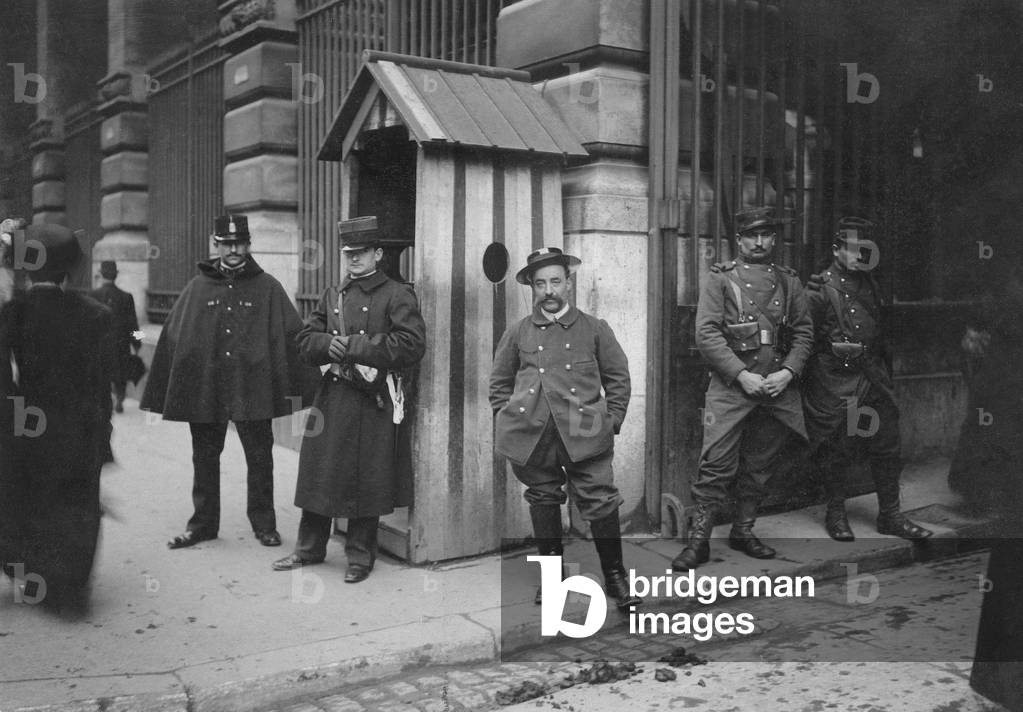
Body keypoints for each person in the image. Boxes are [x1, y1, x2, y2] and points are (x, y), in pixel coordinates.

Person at [141, 215, 318, 550]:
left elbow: (291, 332)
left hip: (252, 391)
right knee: (204, 457)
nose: (233, 250)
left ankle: (264, 524)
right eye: (226, 243)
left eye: (239, 243)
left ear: (248, 244)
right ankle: (203, 524)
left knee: (260, 457)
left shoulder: (268, 287)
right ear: (215, 243)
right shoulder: (198, 287)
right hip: (209, 390)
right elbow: (176, 335)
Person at [272, 217, 426, 583]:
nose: (353, 260)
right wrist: (327, 344)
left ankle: (360, 556)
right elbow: (305, 340)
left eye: (360, 253)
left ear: (377, 254)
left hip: (372, 400)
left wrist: (356, 346)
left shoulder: (396, 294)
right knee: (320, 473)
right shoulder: (333, 294)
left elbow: (412, 343)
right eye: (348, 253)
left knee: (366, 478)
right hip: (334, 397)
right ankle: (309, 549)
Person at [489, 246, 639, 610]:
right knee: (543, 498)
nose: (548, 290)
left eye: (555, 281)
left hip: (585, 432)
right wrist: (508, 418)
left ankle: (616, 576)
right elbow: (499, 383)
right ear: (532, 289)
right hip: (534, 434)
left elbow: (618, 378)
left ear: (569, 284)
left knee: (601, 501)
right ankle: (552, 580)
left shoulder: (594, 328)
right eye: (540, 284)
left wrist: (611, 421)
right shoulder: (519, 332)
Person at [672, 207, 813, 571]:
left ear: (775, 239)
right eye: (752, 235)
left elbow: (803, 333)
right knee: (716, 464)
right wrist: (740, 375)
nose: (760, 242)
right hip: (732, 388)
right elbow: (706, 334)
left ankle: (744, 530)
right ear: (739, 239)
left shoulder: (789, 282)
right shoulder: (720, 280)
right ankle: (699, 541)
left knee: (760, 464)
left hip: (775, 388)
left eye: (766, 235)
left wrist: (788, 372)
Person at [0, 223, 115, 611]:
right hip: (81, 424)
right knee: (79, 502)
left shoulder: (14, 313)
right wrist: (105, 435)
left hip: (30, 423)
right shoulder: (96, 314)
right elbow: (103, 383)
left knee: (36, 500)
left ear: (27, 270)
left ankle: (41, 579)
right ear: (69, 270)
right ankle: (72, 586)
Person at [802, 217, 931, 542]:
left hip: (872, 379)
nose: (858, 255)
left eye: (864, 250)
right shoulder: (818, 291)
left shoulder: (871, 285)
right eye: (852, 249)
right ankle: (836, 513)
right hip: (837, 381)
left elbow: (881, 335)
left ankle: (890, 515)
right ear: (836, 250)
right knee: (838, 448)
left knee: (887, 445)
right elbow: (804, 341)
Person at [90, 261, 141, 413]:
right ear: (116, 275)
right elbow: (134, 323)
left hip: (100, 343)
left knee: (102, 373)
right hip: (121, 343)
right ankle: (120, 397)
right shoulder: (127, 297)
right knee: (120, 373)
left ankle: (104, 401)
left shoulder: (93, 295)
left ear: (101, 274)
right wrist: (138, 342)